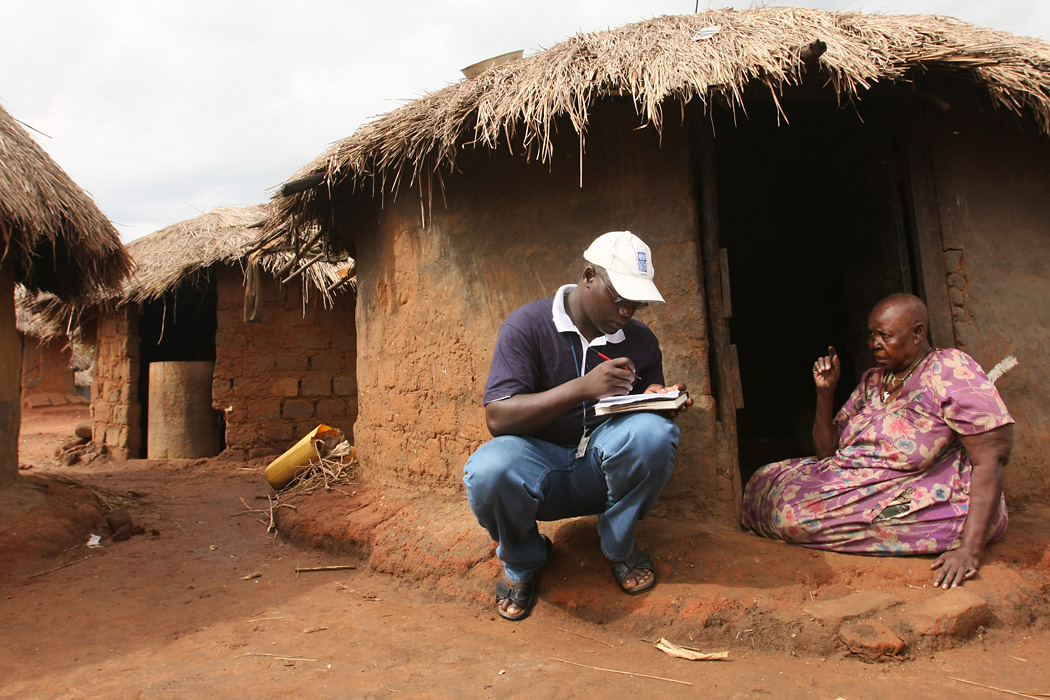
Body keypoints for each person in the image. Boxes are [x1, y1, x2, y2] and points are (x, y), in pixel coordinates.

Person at [463, 231, 693, 621]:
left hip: (600, 470)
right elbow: (498, 417)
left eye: (635, 303)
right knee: (488, 470)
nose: (626, 311)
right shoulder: (528, 325)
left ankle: (618, 545)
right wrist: (584, 388)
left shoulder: (640, 340)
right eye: (619, 296)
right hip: (541, 469)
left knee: (656, 435)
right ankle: (524, 561)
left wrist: (659, 401)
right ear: (589, 276)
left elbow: (641, 428)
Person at [741, 293, 1014, 589]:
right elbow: (825, 451)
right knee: (763, 478)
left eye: (885, 335)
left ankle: (953, 530)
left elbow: (991, 455)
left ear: (918, 332)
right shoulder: (874, 380)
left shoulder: (949, 370)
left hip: (918, 486)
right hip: (853, 477)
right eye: (872, 335)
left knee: (793, 517)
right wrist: (825, 393)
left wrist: (969, 551)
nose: (874, 344)